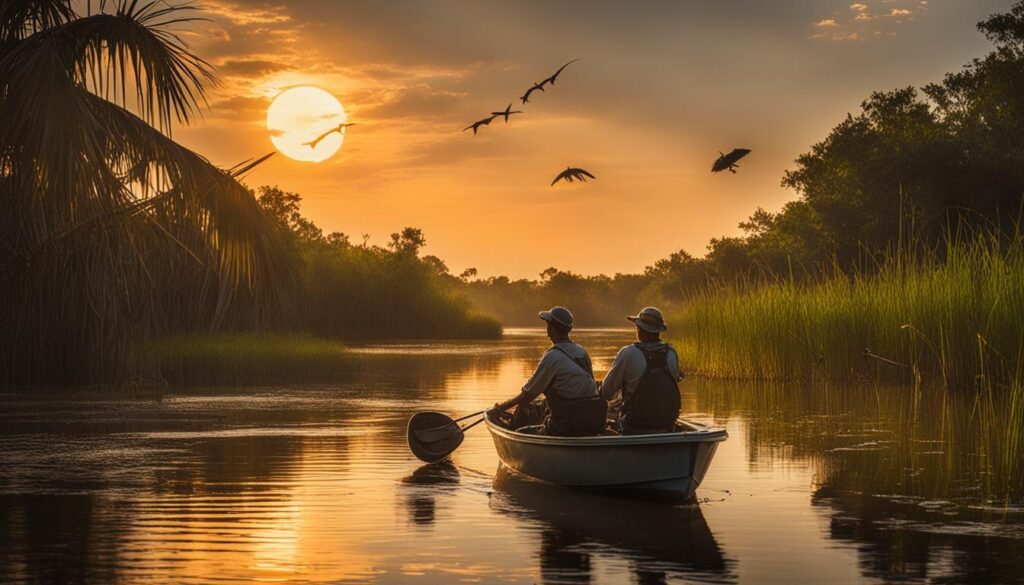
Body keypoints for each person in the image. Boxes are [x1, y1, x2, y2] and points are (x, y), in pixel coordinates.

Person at [491, 306, 607, 436]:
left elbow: (526, 396)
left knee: (523, 422)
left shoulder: (552, 357)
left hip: (565, 427)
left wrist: (500, 408)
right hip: (592, 423)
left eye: (548, 325)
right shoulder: (582, 352)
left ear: (551, 329)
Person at [600, 306, 682, 434]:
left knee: (610, 414)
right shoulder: (671, 352)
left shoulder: (628, 353)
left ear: (639, 329)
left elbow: (606, 392)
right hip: (667, 423)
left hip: (635, 425)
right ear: (658, 331)